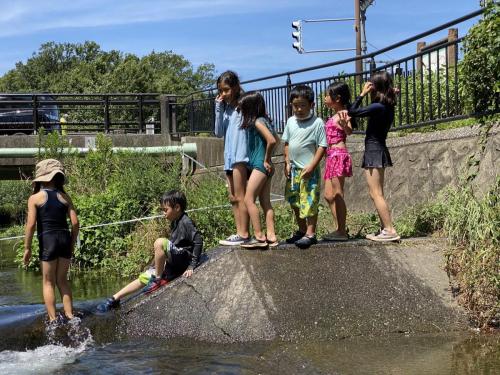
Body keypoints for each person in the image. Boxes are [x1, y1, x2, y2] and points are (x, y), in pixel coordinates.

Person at [97, 190, 203, 312]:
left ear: (177, 207)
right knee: (146, 275)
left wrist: (192, 265)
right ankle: (114, 298)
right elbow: (170, 248)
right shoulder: (175, 222)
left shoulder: (186, 221)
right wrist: (155, 264)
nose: (163, 213)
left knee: (159, 242)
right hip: (175, 260)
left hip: (183, 260)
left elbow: (198, 240)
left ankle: (158, 279)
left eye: (165, 210)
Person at [343, 71, 400, 242]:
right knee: (377, 192)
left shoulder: (378, 107)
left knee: (376, 193)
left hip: (374, 150)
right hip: (378, 148)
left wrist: (362, 94)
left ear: (374, 88)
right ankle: (385, 228)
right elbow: (389, 96)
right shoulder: (387, 106)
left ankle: (389, 230)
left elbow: (352, 111)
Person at [23, 159, 79, 323]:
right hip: (64, 240)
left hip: (48, 241)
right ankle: (70, 316)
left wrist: (27, 248)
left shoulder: (35, 198)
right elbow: (75, 223)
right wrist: (72, 243)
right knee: (62, 280)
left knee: (48, 282)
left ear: (42, 178)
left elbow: (31, 225)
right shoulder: (65, 197)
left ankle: (53, 320)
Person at [282, 85, 328, 249]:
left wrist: (312, 166)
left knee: (309, 201)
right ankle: (301, 230)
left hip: (309, 170)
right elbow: (286, 143)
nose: (299, 109)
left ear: (311, 105)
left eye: (303, 105)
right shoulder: (290, 122)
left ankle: (311, 233)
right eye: (295, 105)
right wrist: (286, 162)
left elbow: (322, 146)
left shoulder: (317, 123)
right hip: (293, 170)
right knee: (294, 201)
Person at [237, 91, 279, 249]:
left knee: (248, 200)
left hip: (260, 166)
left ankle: (259, 237)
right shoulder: (264, 120)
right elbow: (277, 138)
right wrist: (269, 159)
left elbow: (272, 141)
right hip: (265, 166)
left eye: (242, 107)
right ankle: (271, 236)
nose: (240, 110)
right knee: (265, 202)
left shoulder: (257, 122)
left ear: (250, 107)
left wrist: (266, 159)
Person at [214, 70, 250, 246]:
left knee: (241, 196)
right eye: (221, 91)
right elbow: (218, 132)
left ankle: (244, 233)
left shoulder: (244, 106)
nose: (223, 94)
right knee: (233, 197)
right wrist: (218, 109)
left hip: (241, 156)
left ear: (236, 87)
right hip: (229, 157)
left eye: (226, 90)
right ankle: (239, 232)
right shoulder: (226, 108)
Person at [322, 82, 354, 241]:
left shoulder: (343, 114)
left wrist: (344, 125)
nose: (325, 98)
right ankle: (339, 228)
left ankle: (341, 231)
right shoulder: (333, 114)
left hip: (338, 154)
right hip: (331, 155)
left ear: (337, 98)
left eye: (328, 95)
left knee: (337, 193)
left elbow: (349, 130)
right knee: (328, 195)